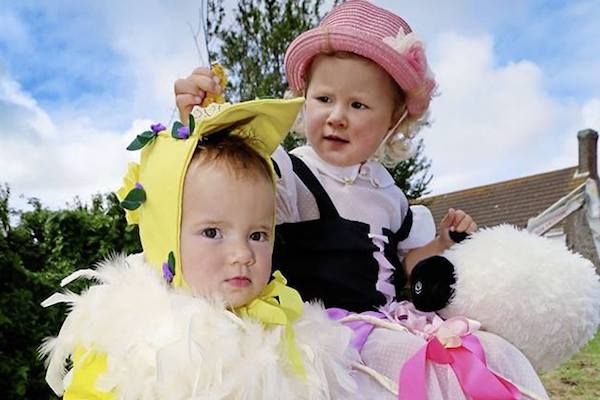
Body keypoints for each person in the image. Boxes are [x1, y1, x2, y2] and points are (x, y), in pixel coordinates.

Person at [174, 1, 549, 398]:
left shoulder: (389, 194)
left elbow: (406, 266)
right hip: (319, 335)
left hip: (385, 324)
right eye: (323, 99)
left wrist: (440, 244)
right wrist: (201, 118)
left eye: (358, 105)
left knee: (472, 355)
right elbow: (223, 179)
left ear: (394, 119)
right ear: (304, 100)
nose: (337, 116)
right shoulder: (286, 174)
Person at [40, 98, 363, 399]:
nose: (243, 254)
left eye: (258, 235)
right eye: (212, 232)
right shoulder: (131, 342)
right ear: (165, 237)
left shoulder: (289, 329)